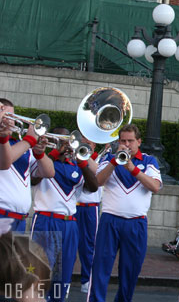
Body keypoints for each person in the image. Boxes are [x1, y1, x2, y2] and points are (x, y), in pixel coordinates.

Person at [87, 124, 162, 302]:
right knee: (100, 268)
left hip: (136, 223)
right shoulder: (109, 159)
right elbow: (97, 182)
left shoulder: (149, 161)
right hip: (110, 221)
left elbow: (155, 187)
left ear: (139, 141)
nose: (127, 144)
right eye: (123, 141)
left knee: (130, 272)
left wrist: (132, 168)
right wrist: (115, 161)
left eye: (130, 141)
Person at [30, 127, 99, 302]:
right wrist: (54, 152)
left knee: (63, 276)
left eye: (69, 140)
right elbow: (34, 179)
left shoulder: (76, 165)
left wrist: (82, 161)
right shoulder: (42, 159)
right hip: (46, 220)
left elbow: (93, 186)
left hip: (70, 224)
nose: (67, 145)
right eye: (62, 140)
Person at [0, 99, 55, 232]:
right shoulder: (22, 144)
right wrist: (29, 140)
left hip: (20, 219)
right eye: (6, 116)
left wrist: (40, 153)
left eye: (12, 117)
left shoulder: (22, 146)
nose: (10, 121)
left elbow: (49, 173)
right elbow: (5, 162)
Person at [75, 137, 104, 294]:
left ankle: (86, 280)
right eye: (83, 142)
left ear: (94, 145)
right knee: (70, 245)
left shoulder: (100, 159)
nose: (86, 145)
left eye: (89, 142)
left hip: (91, 208)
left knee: (89, 246)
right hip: (74, 206)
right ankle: (62, 281)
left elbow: (98, 174)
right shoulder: (74, 156)